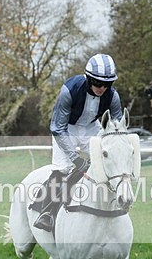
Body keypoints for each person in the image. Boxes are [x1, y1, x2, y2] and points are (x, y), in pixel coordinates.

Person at [31, 53, 123, 231]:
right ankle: (47, 212)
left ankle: (113, 204)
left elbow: (117, 128)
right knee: (63, 168)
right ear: (89, 79)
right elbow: (57, 127)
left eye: (107, 84)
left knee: (106, 163)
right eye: (97, 83)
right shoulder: (70, 89)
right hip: (67, 129)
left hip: (92, 128)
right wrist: (75, 158)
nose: (102, 88)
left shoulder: (113, 96)